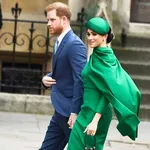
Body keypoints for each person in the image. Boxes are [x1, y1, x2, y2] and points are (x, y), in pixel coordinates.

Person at [67, 17, 141, 150]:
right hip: (87, 110)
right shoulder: (97, 54)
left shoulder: (106, 58)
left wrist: (95, 121)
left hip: (95, 113)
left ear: (104, 36)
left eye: (94, 34)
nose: (90, 37)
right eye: (88, 34)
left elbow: (107, 93)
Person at [39, 2, 87, 150]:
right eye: (48, 20)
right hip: (60, 111)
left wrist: (74, 112)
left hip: (69, 115)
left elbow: (80, 79)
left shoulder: (74, 44)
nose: (48, 24)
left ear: (64, 19)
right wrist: (46, 79)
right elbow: (62, 72)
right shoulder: (60, 41)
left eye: (52, 20)